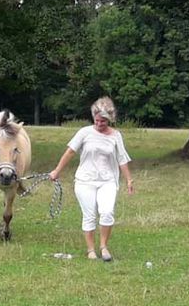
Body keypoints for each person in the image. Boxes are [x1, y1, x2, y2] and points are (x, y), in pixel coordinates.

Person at [49, 97, 134, 262]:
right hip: (85, 181)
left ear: (109, 120)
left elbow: (122, 159)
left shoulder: (116, 136)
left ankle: (103, 246)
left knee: (107, 212)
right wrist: (57, 171)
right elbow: (70, 152)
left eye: (103, 121)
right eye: (96, 120)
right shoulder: (84, 133)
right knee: (89, 215)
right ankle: (90, 250)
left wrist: (129, 180)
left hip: (107, 180)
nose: (99, 124)